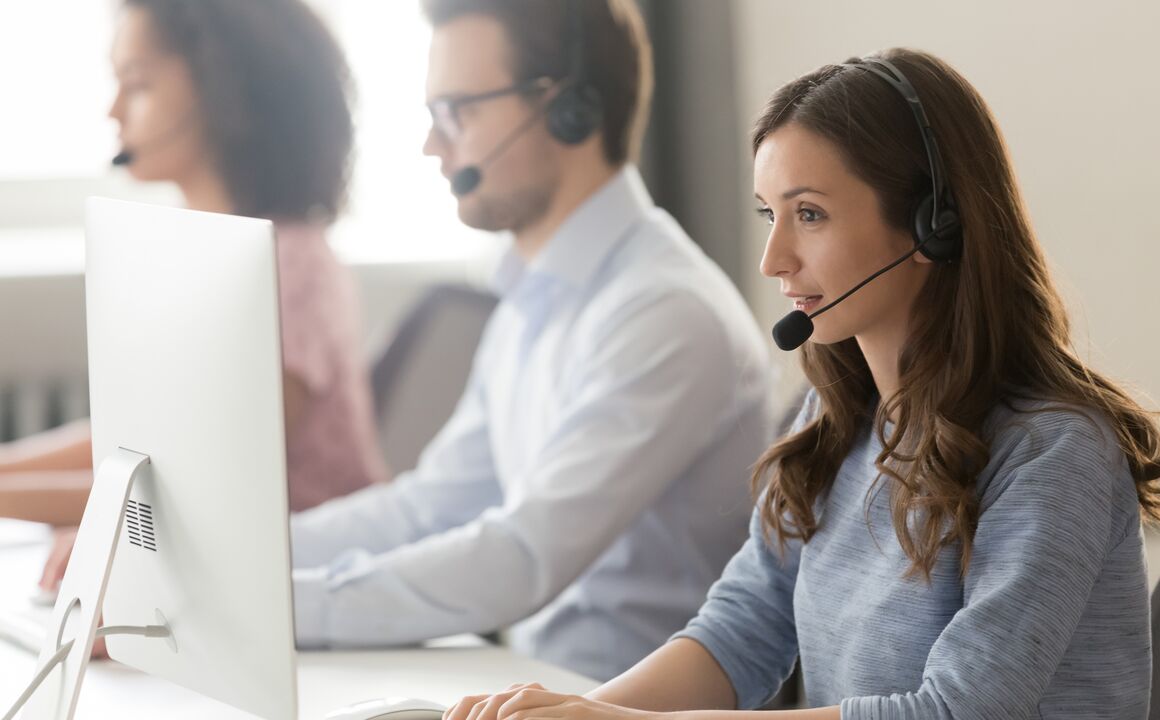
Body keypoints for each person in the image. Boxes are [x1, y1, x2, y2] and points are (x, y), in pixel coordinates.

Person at [443, 47, 1160, 719]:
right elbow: (740, 631)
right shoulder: (834, 419)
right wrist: (589, 711)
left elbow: (957, 710)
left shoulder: (1055, 453)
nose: (773, 259)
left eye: (809, 215)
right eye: (769, 215)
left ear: (931, 227)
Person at [288, 0, 775, 682]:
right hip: (530, 684)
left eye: (458, 111)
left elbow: (523, 558)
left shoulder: (667, 312)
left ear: (569, 109)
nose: (434, 146)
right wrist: (243, 564)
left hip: (614, 699)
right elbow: (429, 507)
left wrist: (282, 605)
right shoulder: (531, 297)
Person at [1, 0, 389, 585]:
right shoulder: (193, 257)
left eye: (138, 84)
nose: (112, 110)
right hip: (211, 581)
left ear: (224, 92)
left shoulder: (289, 268)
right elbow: (136, 442)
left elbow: (196, 486)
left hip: (300, 586)